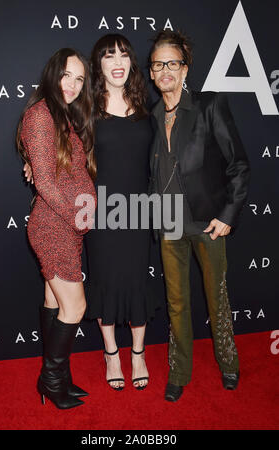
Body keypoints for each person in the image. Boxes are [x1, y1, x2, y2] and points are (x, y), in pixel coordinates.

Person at [148, 30, 250, 401]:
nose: (165, 70)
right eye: (158, 64)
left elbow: (238, 164)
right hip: (169, 223)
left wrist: (227, 214)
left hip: (208, 222)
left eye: (172, 62)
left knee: (217, 298)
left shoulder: (208, 105)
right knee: (176, 302)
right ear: (152, 72)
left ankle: (229, 364)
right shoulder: (153, 115)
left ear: (185, 68)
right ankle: (179, 371)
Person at [17, 48, 97, 409]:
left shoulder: (61, 115)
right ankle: (50, 380)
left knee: (54, 301)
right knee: (75, 307)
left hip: (65, 225)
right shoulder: (40, 115)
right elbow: (47, 185)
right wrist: (76, 219)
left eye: (80, 79)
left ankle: (57, 378)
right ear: (53, 74)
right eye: (67, 75)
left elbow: (53, 168)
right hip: (54, 225)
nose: (73, 84)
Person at [84, 34, 161, 391]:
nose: (118, 61)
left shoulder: (147, 106)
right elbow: (55, 143)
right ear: (98, 65)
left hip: (139, 211)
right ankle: (112, 354)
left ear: (132, 62)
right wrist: (33, 164)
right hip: (99, 212)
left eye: (124, 54)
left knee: (135, 281)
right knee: (105, 282)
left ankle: (139, 353)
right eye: (109, 55)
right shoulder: (85, 108)